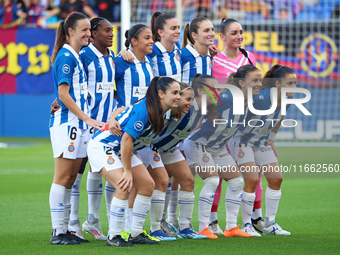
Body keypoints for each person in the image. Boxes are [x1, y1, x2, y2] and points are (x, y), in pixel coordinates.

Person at [87, 76, 181, 246]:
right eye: (175, 93)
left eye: (179, 93)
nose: (179, 97)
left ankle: (136, 232)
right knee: (124, 184)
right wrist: (128, 172)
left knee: (147, 185)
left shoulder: (161, 108)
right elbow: (126, 140)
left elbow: (123, 109)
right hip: (104, 146)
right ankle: (114, 236)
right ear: (161, 94)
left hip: (122, 148)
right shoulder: (144, 110)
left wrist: (114, 117)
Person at [185, 65, 262, 238]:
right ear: (241, 83)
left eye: (260, 80)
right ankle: (204, 227)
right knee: (211, 182)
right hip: (199, 144)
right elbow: (194, 109)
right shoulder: (225, 99)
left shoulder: (250, 102)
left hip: (218, 147)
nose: (259, 84)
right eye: (255, 80)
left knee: (236, 182)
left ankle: (231, 228)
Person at [48, 11, 105, 245]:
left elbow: (69, 93)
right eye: (83, 30)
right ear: (70, 32)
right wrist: (88, 119)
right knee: (62, 177)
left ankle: (67, 231)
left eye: (89, 31)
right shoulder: (66, 56)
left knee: (72, 178)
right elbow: (63, 94)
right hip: (67, 123)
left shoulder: (76, 55)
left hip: (78, 124)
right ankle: (57, 231)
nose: (88, 35)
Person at [64, 17, 116, 241]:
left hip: (107, 124)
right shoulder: (84, 55)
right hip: (87, 122)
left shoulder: (112, 57)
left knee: (99, 170)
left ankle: (92, 220)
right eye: (107, 30)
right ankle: (72, 222)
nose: (111, 34)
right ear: (94, 33)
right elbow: (70, 83)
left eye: (113, 30)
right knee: (78, 171)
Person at [228, 64, 296, 236]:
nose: (294, 87)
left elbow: (280, 118)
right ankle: (246, 225)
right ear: (278, 84)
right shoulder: (260, 98)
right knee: (251, 180)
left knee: (276, 179)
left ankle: (269, 224)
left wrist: (271, 139)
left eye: (295, 83)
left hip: (261, 141)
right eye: (290, 83)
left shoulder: (287, 101)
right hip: (242, 140)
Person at [150, 74, 218, 239]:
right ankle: (154, 228)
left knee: (188, 180)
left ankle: (185, 228)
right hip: (150, 148)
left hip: (168, 148)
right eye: (212, 89)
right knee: (159, 182)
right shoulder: (164, 110)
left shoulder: (198, 111)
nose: (216, 93)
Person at [209, 18, 259, 235]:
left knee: (252, 171)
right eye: (234, 33)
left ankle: (254, 219)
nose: (239, 36)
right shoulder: (214, 60)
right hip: (223, 123)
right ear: (222, 37)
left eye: (241, 32)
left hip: (246, 123)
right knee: (220, 175)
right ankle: (212, 221)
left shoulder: (249, 57)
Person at [103, 23, 154, 233]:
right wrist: (114, 114)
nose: (152, 41)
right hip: (123, 128)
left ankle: (133, 227)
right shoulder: (121, 62)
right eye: (147, 37)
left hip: (144, 130)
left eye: (152, 37)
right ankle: (112, 222)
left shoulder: (149, 62)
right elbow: (104, 85)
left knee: (145, 179)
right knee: (119, 178)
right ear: (134, 41)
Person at [181, 16, 215, 84]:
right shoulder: (182, 55)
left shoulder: (211, 55)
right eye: (206, 30)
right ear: (194, 35)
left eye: (212, 29)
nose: (212, 34)